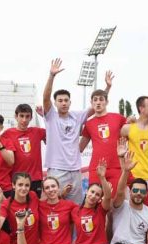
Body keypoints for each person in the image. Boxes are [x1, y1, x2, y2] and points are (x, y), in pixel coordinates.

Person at [42, 58, 110, 204]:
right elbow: (45, 98)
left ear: (70, 102)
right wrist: (52, 76)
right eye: (60, 101)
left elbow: (97, 105)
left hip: (75, 170)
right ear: (55, 103)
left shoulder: (77, 116)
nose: (63, 103)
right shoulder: (51, 116)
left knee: (75, 207)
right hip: (57, 170)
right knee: (55, 204)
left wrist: (107, 88)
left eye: (66, 100)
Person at [79, 85, 125, 190]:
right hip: (96, 168)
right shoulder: (89, 123)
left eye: (101, 99)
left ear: (107, 102)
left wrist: (134, 120)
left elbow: (133, 129)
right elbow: (80, 148)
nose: (98, 102)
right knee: (94, 198)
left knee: (114, 199)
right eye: (95, 100)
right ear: (91, 103)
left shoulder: (118, 118)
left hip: (115, 167)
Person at [1, 104, 46, 196]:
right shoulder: (7, 134)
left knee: (34, 204)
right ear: (16, 116)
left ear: (31, 118)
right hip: (17, 179)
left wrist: (44, 116)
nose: (24, 120)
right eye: (21, 116)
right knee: (17, 205)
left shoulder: (37, 131)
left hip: (35, 179)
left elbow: (55, 131)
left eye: (27, 116)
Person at [36, 176, 77, 244]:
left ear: (58, 188)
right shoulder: (39, 206)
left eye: (53, 186)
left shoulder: (69, 205)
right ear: (44, 191)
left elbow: (85, 212)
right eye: (47, 188)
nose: (51, 189)